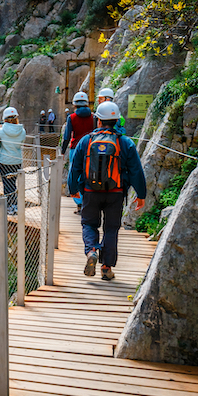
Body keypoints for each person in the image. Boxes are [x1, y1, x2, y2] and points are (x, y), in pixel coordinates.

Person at [68, 101, 146, 281]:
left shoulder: (86, 141)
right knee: (111, 229)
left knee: (89, 224)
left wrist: (73, 190)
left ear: (98, 120)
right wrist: (141, 195)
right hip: (115, 193)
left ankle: (92, 251)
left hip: (90, 192)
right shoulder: (125, 143)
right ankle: (106, 268)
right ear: (117, 120)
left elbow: (75, 169)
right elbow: (136, 171)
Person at [61, 92, 96, 214]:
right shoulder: (94, 117)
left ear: (75, 104)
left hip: (75, 149)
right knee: (89, 174)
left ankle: (79, 204)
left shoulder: (71, 117)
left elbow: (67, 137)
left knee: (75, 173)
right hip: (91, 149)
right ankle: (89, 202)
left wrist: (62, 151)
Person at [0, 107, 26, 214]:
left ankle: (9, 207)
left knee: (6, 184)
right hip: (17, 161)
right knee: (13, 183)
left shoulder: (1, 131)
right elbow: (21, 143)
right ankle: (15, 205)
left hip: (4, 161)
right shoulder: (22, 131)